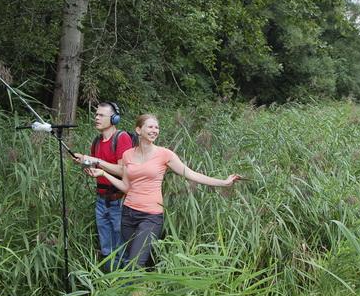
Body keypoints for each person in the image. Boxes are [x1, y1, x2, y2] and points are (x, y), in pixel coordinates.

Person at [86, 113, 242, 270]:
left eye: (157, 127)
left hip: (150, 217)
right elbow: (127, 186)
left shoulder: (164, 154)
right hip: (128, 214)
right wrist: (103, 174)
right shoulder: (128, 155)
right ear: (138, 130)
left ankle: (133, 292)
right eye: (150, 127)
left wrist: (223, 182)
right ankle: (146, 290)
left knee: (135, 264)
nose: (155, 130)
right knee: (138, 261)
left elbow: (191, 174)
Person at [74, 102, 133, 271]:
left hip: (119, 201)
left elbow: (123, 171)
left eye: (101, 115)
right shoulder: (97, 141)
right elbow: (97, 169)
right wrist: (84, 162)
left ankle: (127, 285)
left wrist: (96, 161)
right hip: (101, 200)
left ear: (114, 119)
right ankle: (111, 283)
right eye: (96, 115)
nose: (97, 118)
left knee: (122, 247)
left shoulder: (121, 138)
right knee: (106, 248)